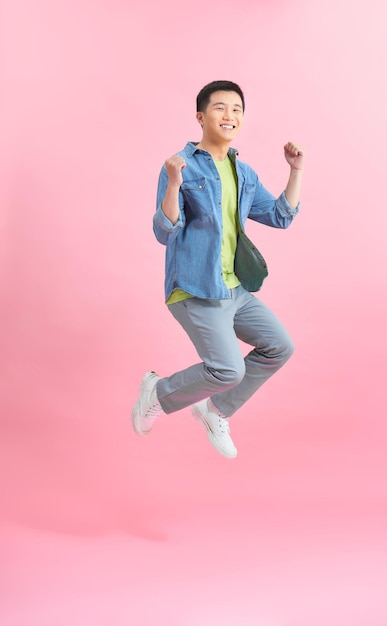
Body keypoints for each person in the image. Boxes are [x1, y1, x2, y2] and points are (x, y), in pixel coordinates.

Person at [132, 80, 304, 459]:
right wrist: (174, 186)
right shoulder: (181, 165)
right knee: (228, 370)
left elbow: (279, 216)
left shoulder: (242, 172)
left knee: (279, 346)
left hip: (235, 290)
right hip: (195, 289)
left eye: (237, 109)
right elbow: (165, 231)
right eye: (220, 108)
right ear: (200, 116)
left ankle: (215, 410)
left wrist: (295, 171)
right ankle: (157, 392)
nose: (230, 115)